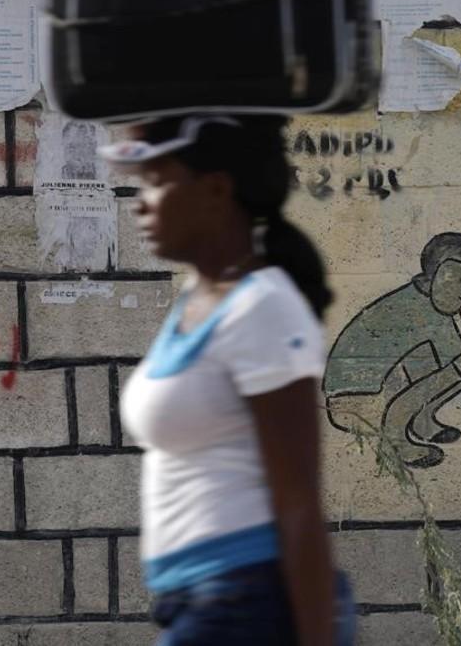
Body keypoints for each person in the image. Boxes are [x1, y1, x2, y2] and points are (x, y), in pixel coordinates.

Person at [102, 114, 353, 646]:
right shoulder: (201, 300)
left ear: (215, 190)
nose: (139, 203)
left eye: (156, 181)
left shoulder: (263, 307)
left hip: (241, 602)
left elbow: (298, 497)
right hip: (195, 598)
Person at [324, 232, 461, 468]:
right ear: (438, 275)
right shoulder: (424, 311)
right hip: (355, 407)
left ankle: (421, 421)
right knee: (457, 369)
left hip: (367, 398)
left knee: (449, 361)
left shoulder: (426, 300)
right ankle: (397, 442)